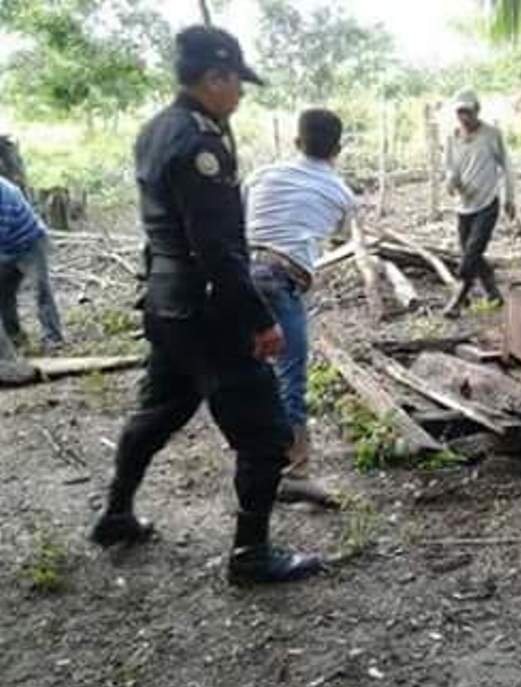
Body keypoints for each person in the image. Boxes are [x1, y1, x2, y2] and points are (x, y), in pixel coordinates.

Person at [89, 25, 322, 585]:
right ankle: (250, 555)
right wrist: (260, 319)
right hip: (209, 310)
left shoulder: (156, 130)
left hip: (167, 304)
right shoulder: (201, 144)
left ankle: (116, 513)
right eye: (236, 82)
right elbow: (217, 249)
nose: (240, 94)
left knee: (160, 411)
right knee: (265, 435)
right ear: (214, 78)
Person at [244, 108, 357, 480]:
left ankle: (252, 456)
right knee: (290, 376)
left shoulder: (259, 176)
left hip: (237, 279)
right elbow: (339, 234)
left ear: (296, 141)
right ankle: (295, 469)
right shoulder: (341, 194)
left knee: (246, 369)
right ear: (338, 149)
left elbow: (241, 220)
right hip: (280, 281)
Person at [442, 89, 515, 318]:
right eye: (460, 113)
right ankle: (493, 293)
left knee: (470, 255)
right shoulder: (452, 138)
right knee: (471, 251)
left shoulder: (491, 135)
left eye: (468, 112)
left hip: (487, 202)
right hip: (464, 204)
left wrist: (510, 198)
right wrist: (451, 182)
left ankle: (458, 299)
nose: (464, 117)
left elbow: (507, 166)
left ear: (477, 111)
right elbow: (450, 168)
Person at [0, 175, 64, 351]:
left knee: (41, 290)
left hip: (31, 244)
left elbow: (2, 230)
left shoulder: (5, 194)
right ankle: (15, 338)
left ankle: (53, 338)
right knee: (3, 295)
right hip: (5, 248)